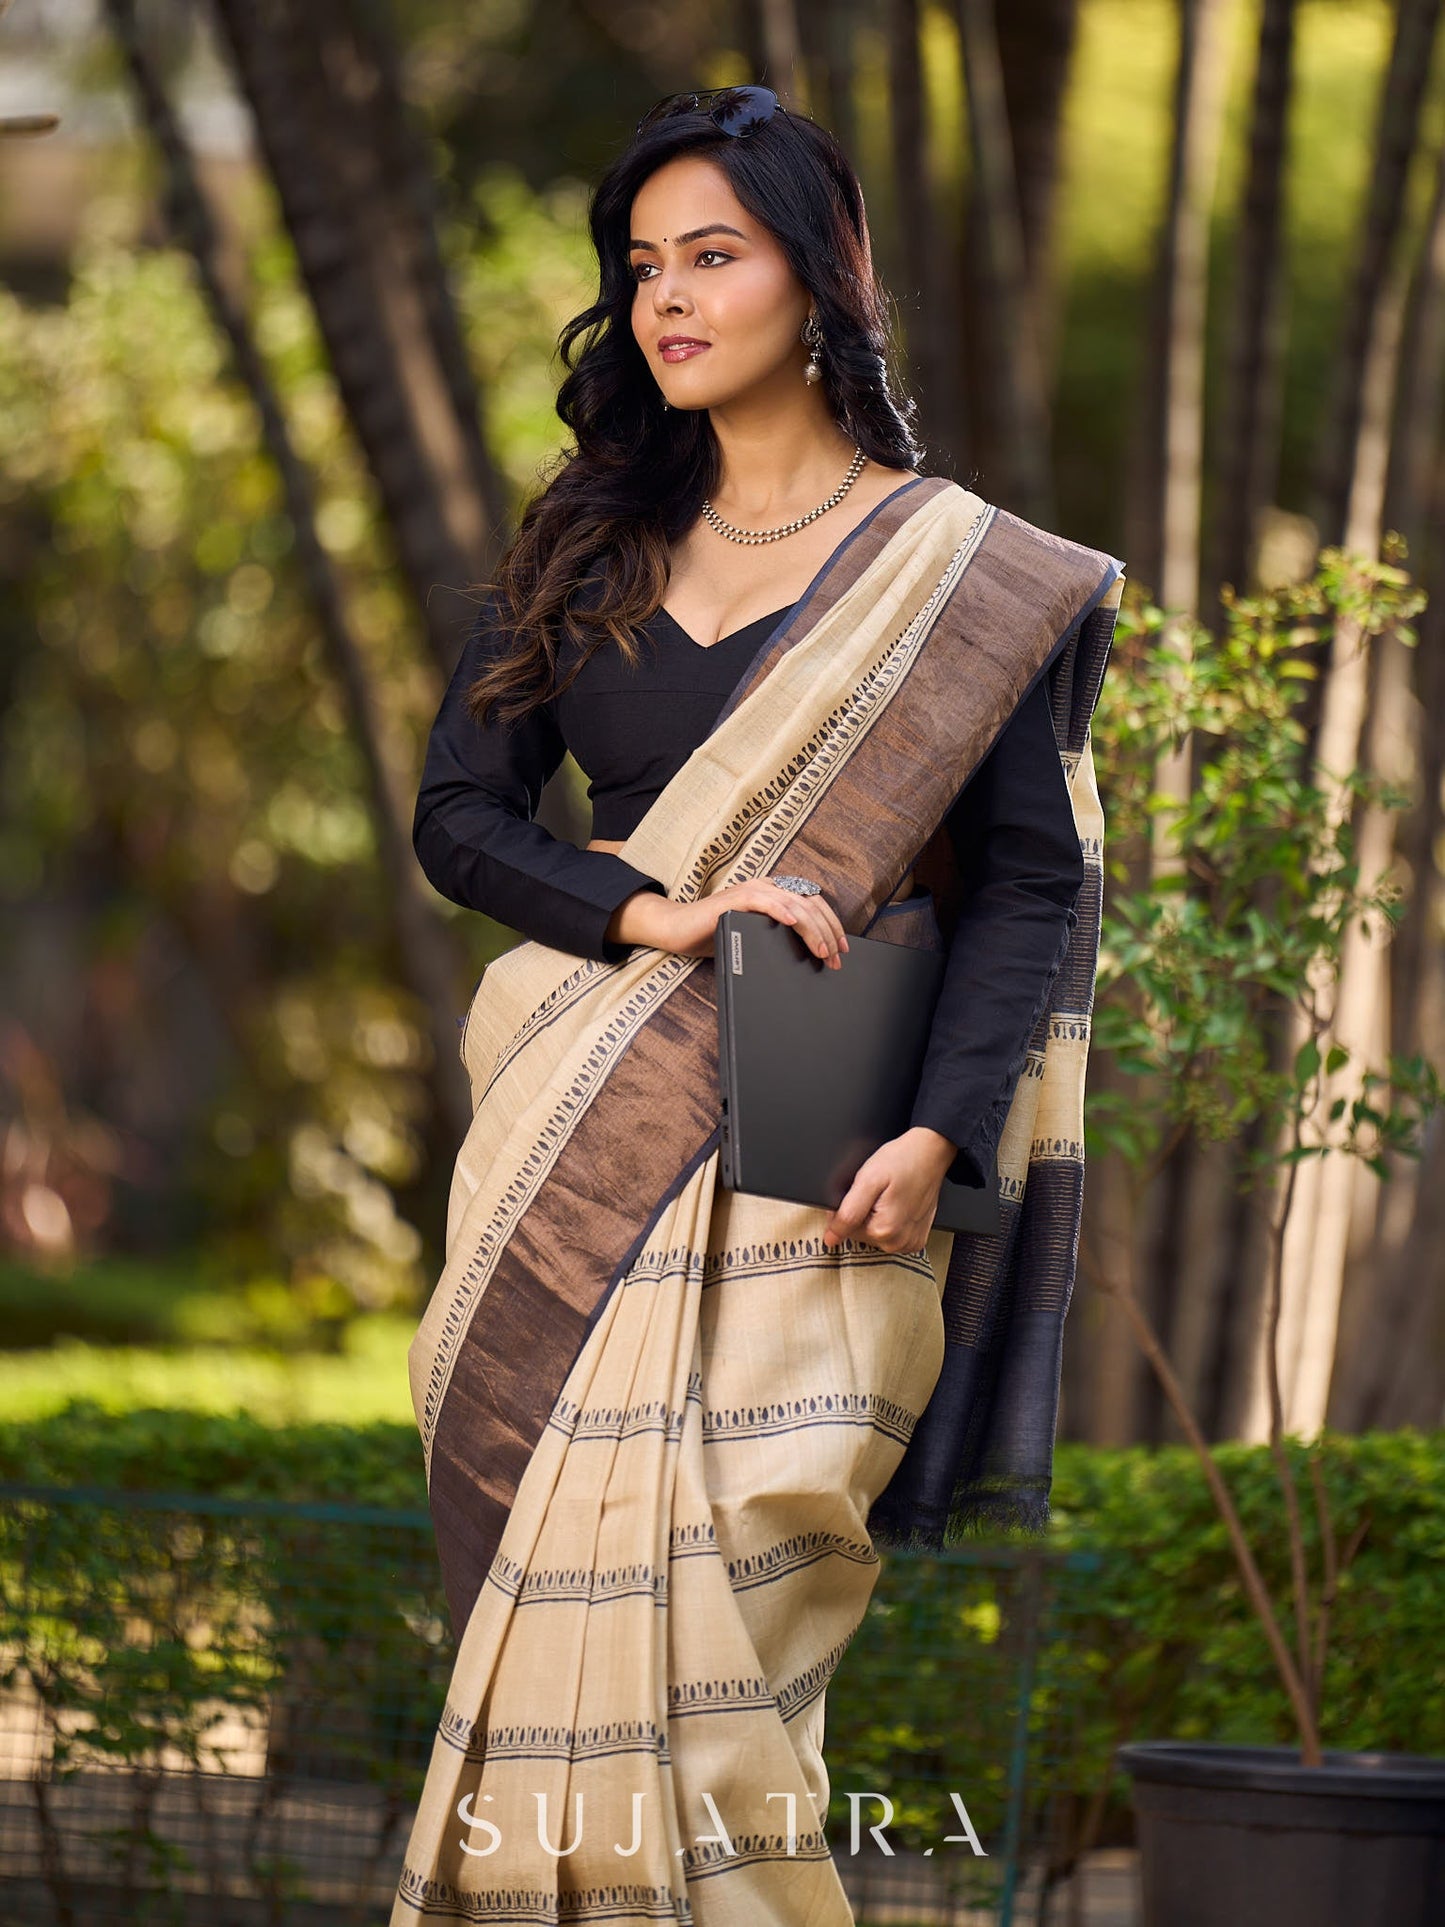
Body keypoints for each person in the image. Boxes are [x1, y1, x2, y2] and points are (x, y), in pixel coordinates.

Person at [392, 85, 1122, 1926]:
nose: (665, 299)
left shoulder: (958, 575)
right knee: (547, 1627)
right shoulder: (585, 542)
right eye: (640, 267)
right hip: (570, 1143)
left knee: (735, 1673)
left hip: (826, 1167)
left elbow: (1032, 883)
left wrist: (944, 1128)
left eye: (711, 254)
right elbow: (459, 819)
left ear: (820, 278)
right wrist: (652, 906)